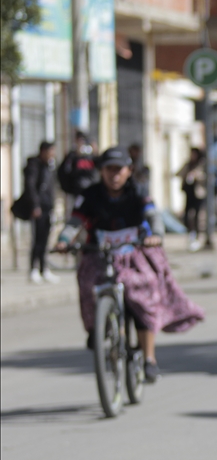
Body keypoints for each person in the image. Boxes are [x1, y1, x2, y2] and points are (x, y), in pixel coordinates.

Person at [54, 147, 205, 382]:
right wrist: (64, 240)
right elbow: (76, 221)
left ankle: (149, 358)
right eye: (108, 170)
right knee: (86, 281)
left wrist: (155, 235)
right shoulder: (91, 195)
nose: (114, 175)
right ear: (101, 171)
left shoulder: (138, 192)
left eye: (119, 170)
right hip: (99, 253)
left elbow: (153, 216)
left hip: (134, 253)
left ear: (129, 171)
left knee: (145, 293)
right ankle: (96, 327)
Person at [23, 141, 59, 284]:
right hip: (38, 209)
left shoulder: (49, 166)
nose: (52, 154)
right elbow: (30, 186)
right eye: (51, 151)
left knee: (45, 241)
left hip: (48, 208)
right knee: (37, 240)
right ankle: (33, 269)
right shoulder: (34, 166)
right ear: (43, 151)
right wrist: (35, 205)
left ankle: (44, 269)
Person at [176, 148, 207, 252]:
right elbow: (179, 173)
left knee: (197, 215)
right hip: (188, 193)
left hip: (198, 194)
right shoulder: (188, 164)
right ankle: (191, 233)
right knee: (187, 214)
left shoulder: (201, 165)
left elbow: (205, 176)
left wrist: (196, 175)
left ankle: (197, 236)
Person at [57, 132, 99, 197]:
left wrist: (96, 153)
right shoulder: (72, 156)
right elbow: (64, 171)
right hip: (77, 191)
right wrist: (75, 156)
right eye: (80, 141)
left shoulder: (93, 156)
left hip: (93, 189)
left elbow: (101, 166)